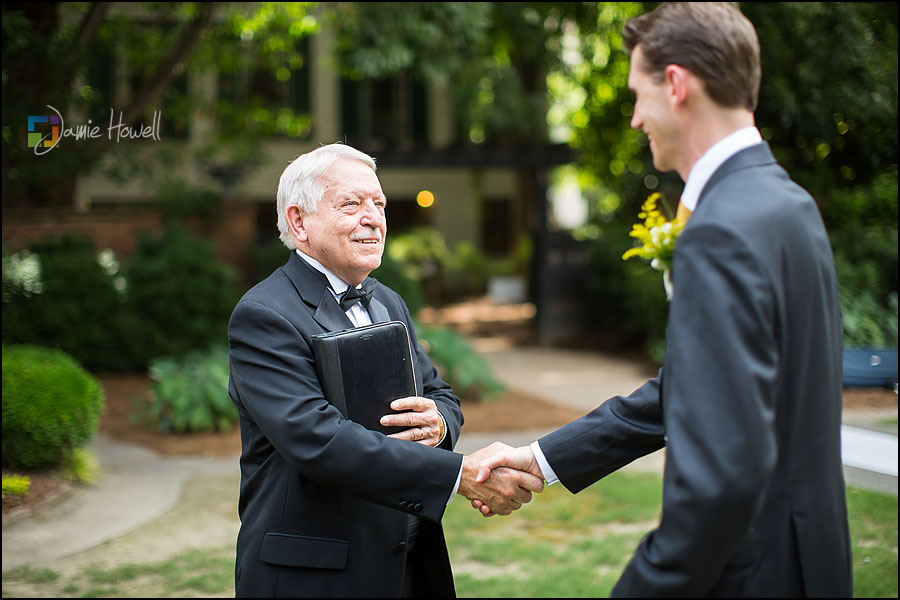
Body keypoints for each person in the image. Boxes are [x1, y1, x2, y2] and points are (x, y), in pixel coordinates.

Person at [474, 3, 853, 597]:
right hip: (811, 559)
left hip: (752, 574)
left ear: (675, 84)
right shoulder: (789, 204)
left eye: (638, 95)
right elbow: (689, 389)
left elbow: (719, 482)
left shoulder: (719, 230)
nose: (634, 118)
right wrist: (545, 459)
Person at [227, 142, 543, 598]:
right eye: (351, 204)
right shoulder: (264, 314)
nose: (373, 218)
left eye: (379, 204)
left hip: (406, 565)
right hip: (315, 575)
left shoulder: (387, 300)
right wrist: (456, 475)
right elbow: (318, 439)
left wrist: (437, 424)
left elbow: (440, 394)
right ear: (299, 222)